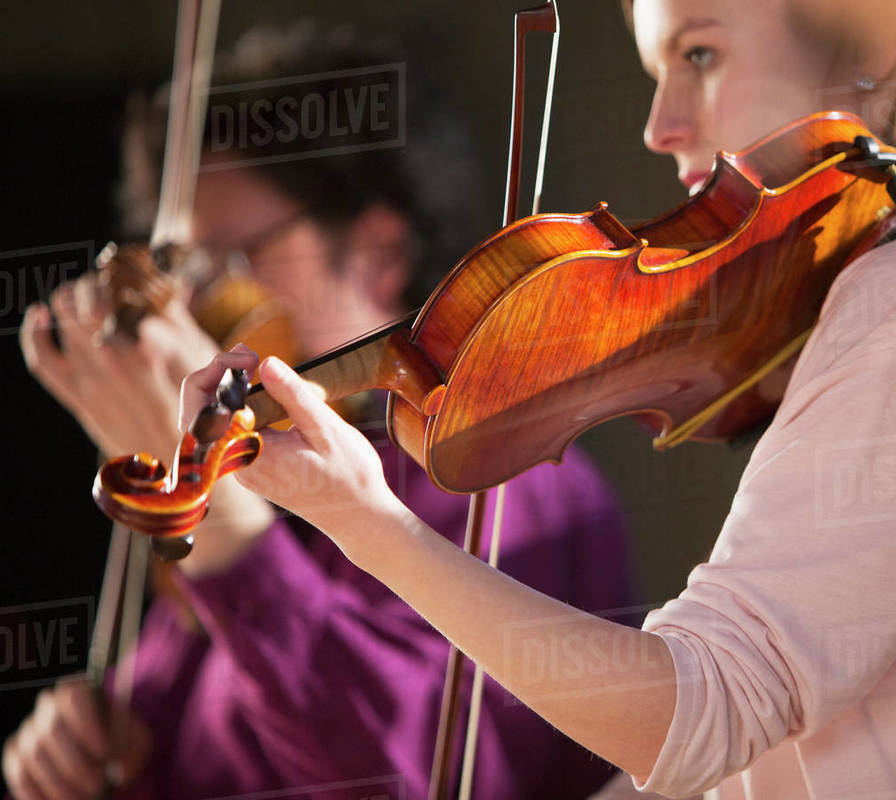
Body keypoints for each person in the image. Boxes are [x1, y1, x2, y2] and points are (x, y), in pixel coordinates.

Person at [172, 0, 896, 797]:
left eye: (701, 53)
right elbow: (768, 759)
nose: (660, 125)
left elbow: (706, 712)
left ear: (870, 32)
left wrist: (370, 522)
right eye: (657, 69)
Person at [5, 24, 633, 800]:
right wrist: (82, 745)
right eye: (187, 271)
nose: (198, 307)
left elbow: (415, 778)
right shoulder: (261, 466)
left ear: (378, 254)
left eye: (232, 262)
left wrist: (229, 531)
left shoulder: (502, 475)